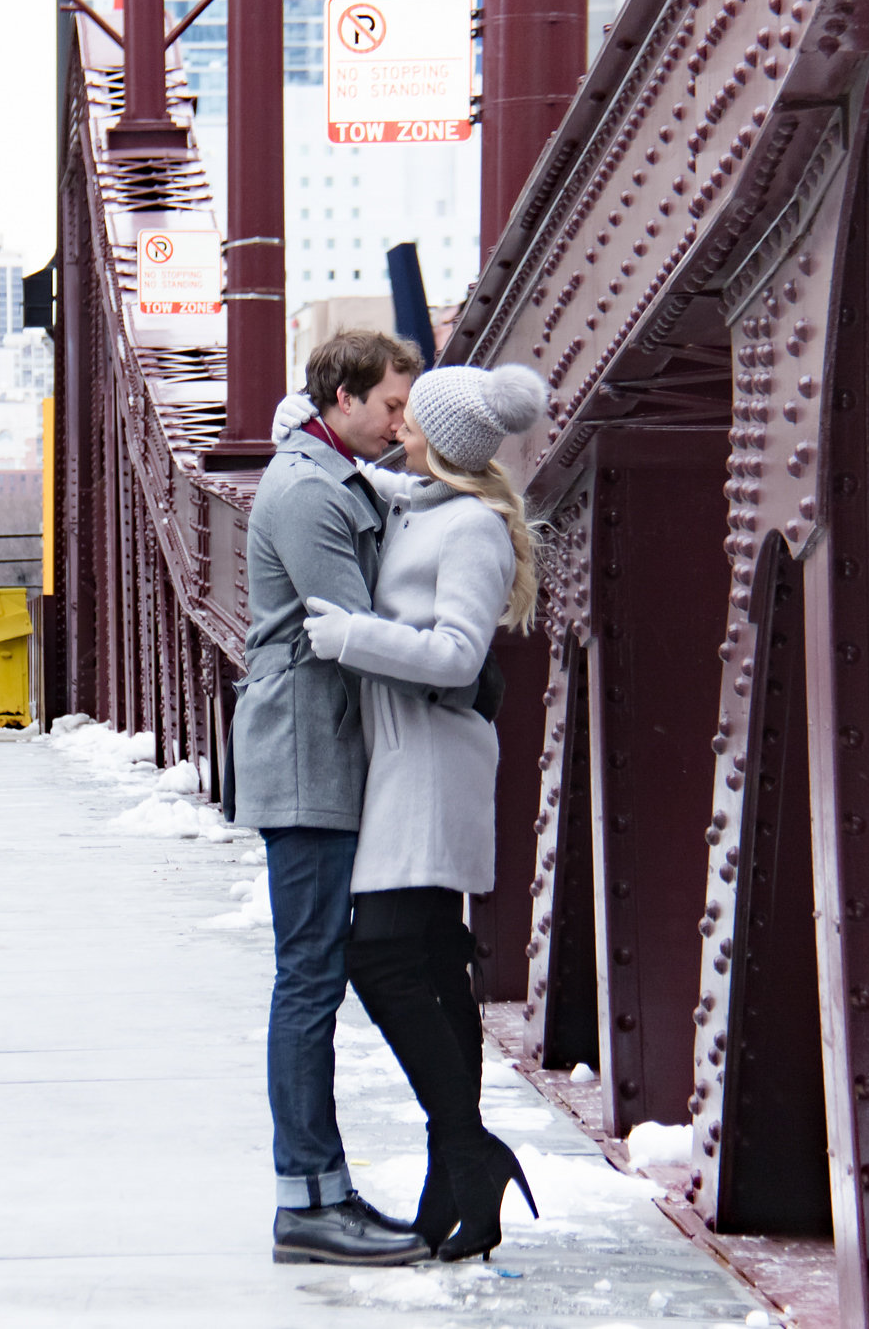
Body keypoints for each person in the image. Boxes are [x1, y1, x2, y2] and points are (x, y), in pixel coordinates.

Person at [292, 362, 548, 1260]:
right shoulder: (425, 505)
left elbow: (455, 654)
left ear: (443, 440)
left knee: (383, 955)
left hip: (432, 769)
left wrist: (351, 636)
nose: (397, 426)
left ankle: (466, 1148)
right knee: (435, 959)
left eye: (412, 419)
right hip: (404, 763)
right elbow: (385, 486)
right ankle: (460, 1178)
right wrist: (310, 427)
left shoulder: (472, 527)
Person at [229, 329, 431, 1267]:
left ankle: (322, 1187)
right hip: (310, 755)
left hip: (322, 752)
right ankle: (307, 1198)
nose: (401, 425)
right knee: (309, 975)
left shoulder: (333, 474)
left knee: (312, 973)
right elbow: (356, 631)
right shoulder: (311, 492)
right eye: (392, 405)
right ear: (342, 398)